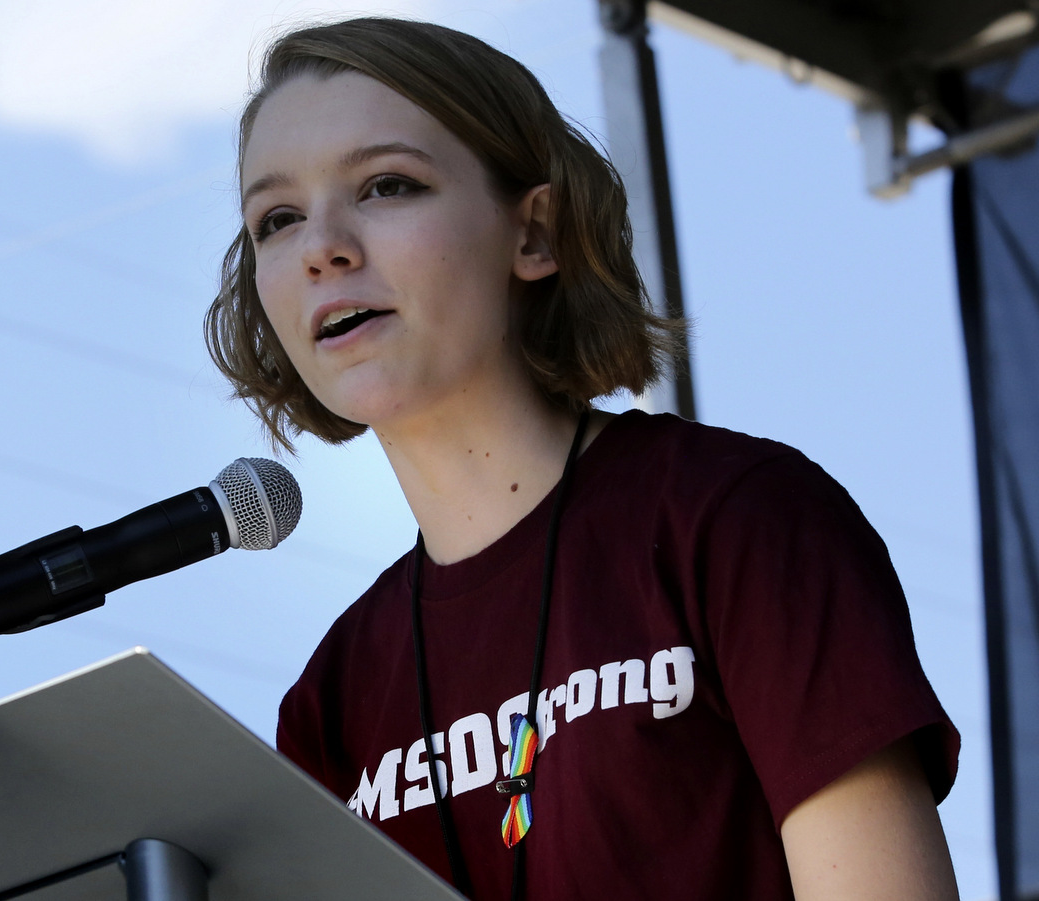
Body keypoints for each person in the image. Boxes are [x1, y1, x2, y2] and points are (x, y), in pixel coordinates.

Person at [204, 17, 961, 901]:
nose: (323, 247)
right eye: (277, 219)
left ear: (534, 234)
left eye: (386, 185)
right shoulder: (332, 700)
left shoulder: (737, 515)